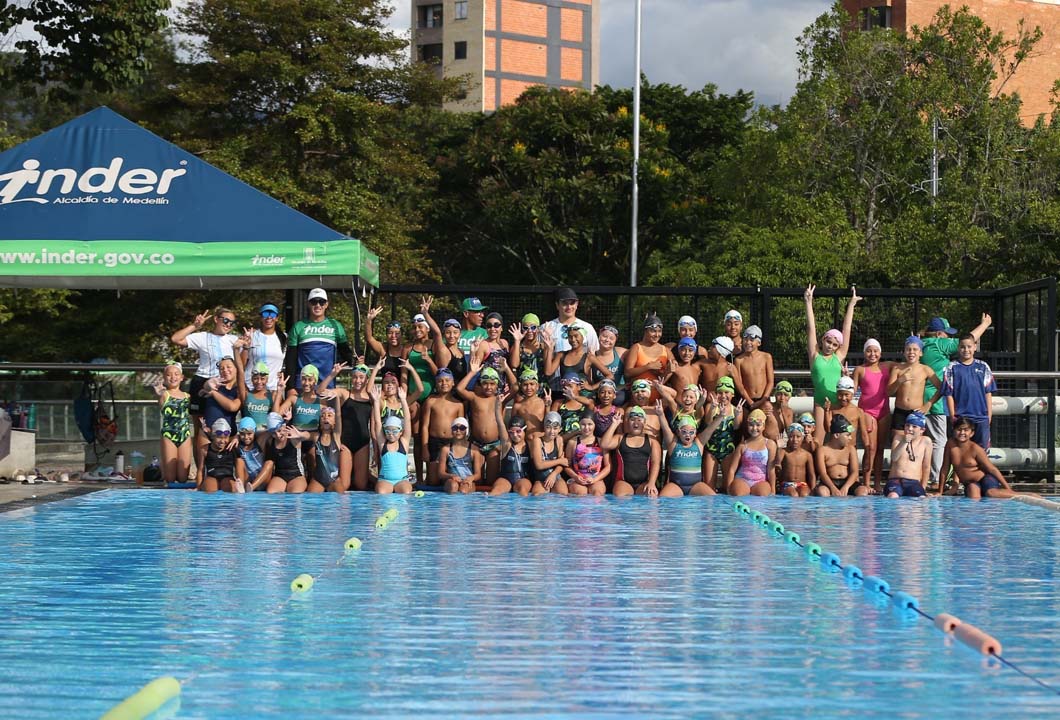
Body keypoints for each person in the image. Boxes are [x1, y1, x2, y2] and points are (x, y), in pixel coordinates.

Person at [921, 314, 992, 485]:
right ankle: (938, 478)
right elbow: (968, 339)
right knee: (940, 442)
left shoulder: (922, 345)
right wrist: (985, 324)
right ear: (939, 334)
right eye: (947, 334)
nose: (949, 337)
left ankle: (936, 478)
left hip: (922, 400)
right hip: (936, 402)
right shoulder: (940, 344)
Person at [170, 307, 243, 449]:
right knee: (201, 430)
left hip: (224, 385)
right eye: (226, 320)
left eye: (232, 323)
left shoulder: (234, 340)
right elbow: (175, 339)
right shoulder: (202, 336)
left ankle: (222, 465)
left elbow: (243, 364)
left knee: (225, 427)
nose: (228, 325)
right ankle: (201, 469)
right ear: (216, 319)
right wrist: (195, 326)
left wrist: (245, 347)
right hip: (202, 381)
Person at [804, 285, 860, 445]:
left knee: (843, 439)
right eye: (828, 341)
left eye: (835, 344)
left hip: (839, 400)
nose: (830, 346)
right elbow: (811, 329)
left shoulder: (839, 357)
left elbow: (847, 329)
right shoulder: (815, 355)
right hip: (821, 401)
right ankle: (818, 469)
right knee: (818, 441)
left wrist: (851, 304)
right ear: (823, 340)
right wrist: (808, 302)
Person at [316, 362, 374, 491]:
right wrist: (332, 374)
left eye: (361, 377)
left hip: (363, 443)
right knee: (345, 485)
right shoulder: (344, 393)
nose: (357, 380)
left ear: (366, 379)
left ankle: (368, 477)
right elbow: (319, 392)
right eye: (354, 377)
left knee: (361, 485)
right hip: (345, 443)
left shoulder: (371, 398)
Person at [286, 288, 353, 390]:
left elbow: (345, 352)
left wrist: (356, 361)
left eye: (321, 302)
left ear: (326, 304)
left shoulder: (336, 326)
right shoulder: (298, 326)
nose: (318, 305)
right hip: (304, 385)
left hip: (327, 384)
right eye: (314, 302)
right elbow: (291, 359)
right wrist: (290, 388)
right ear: (308, 304)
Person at [941, 416, 1021, 499]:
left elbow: (992, 469)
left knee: (991, 493)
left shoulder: (976, 449)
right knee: (973, 496)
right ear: (954, 431)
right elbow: (945, 468)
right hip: (971, 483)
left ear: (972, 433)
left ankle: (1030, 495)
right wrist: (940, 491)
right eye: (959, 429)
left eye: (966, 430)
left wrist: (1008, 489)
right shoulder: (950, 445)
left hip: (985, 479)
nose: (962, 433)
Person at [941, 334, 997, 450]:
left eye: (969, 346)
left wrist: (989, 415)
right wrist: (952, 415)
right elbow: (948, 394)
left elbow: (988, 392)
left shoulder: (983, 366)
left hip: (981, 416)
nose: (966, 350)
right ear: (958, 348)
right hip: (962, 416)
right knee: (961, 451)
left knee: (982, 452)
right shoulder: (951, 367)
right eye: (962, 347)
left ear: (975, 347)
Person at [454, 359, 504, 483]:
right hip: (476, 444)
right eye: (485, 383)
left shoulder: (500, 399)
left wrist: (507, 369)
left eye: (492, 384)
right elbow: (459, 389)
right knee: (477, 480)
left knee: (491, 481)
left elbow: (515, 387)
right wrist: (472, 372)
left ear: (497, 385)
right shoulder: (475, 397)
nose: (488, 387)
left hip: (494, 445)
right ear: (480, 384)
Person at [852, 338, 892, 492]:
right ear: (864, 353)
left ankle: (876, 483)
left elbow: (907, 364)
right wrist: (844, 377)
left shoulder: (887, 367)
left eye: (875, 351)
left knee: (881, 448)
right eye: (869, 351)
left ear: (880, 353)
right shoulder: (860, 370)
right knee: (871, 448)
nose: (872, 354)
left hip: (884, 412)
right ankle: (867, 482)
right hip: (867, 412)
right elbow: (852, 390)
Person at [887, 336, 942, 445]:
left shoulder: (925, 369)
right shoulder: (897, 369)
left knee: (915, 446)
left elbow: (941, 388)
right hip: (900, 412)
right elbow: (889, 391)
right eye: (908, 349)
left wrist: (928, 405)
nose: (911, 352)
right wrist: (899, 381)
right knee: (897, 444)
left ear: (921, 353)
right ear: (904, 352)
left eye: (915, 349)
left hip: (916, 412)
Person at [196, 355, 245, 476]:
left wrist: (213, 393)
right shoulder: (214, 384)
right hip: (207, 431)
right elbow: (201, 393)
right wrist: (207, 386)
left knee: (227, 471)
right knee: (203, 467)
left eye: (229, 367)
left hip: (227, 435)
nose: (225, 370)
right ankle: (199, 488)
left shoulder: (239, 389)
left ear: (236, 369)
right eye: (222, 368)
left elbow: (233, 407)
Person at [599, 406, 662, 497]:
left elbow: (656, 463)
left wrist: (651, 483)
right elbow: (604, 444)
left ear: (644, 422)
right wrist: (614, 424)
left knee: (651, 497)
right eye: (632, 419)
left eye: (639, 420)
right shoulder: (620, 438)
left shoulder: (652, 441)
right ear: (628, 422)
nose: (636, 423)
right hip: (623, 482)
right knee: (620, 497)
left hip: (644, 482)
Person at [420, 368, 466, 487]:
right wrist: (425, 448)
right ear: (436, 383)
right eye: (440, 381)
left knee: (451, 477)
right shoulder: (430, 401)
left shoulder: (458, 404)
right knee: (433, 481)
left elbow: (461, 429)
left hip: (451, 443)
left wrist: (460, 448)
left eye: (447, 380)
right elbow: (425, 426)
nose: (444, 383)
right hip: (434, 442)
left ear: (453, 383)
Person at [658, 412, 716, 497]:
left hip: (696, 485)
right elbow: (665, 428)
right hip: (676, 486)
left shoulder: (699, 443)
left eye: (691, 432)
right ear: (678, 432)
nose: (687, 435)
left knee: (712, 498)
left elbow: (710, 429)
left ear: (695, 433)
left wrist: (721, 416)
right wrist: (661, 414)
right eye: (684, 432)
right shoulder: (673, 443)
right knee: (663, 498)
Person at [153, 361, 192, 486]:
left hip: (185, 435)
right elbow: (161, 406)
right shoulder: (165, 395)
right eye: (169, 375)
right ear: (164, 378)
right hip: (169, 435)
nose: (173, 377)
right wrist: (159, 394)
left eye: (176, 374)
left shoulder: (188, 396)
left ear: (182, 377)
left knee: (182, 478)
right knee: (170, 478)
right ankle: (164, 471)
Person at [702, 378, 744, 491]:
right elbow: (708, 423)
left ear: (732, 394)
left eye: (726, 392)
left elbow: (736, 427)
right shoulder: (711, 407)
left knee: (728, 487)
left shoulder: (737, 409)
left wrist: (737, 415)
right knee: (709, 487)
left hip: (728, 450)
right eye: (720, 392)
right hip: (711, 449)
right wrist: (712, 409)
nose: (723, 395)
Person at [371, 386, 414, 494]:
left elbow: (408, 420)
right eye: (388, 431)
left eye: (394, 431)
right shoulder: (382, 443)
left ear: (400, 432)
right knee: (381, 492)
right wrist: (376, 401)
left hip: (402, 480)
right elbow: (377, 422)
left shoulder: (403, 442)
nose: (391, 434)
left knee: (406, 492)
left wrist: (403, 400)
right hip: (385, 480)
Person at [733, 324, 775, 436]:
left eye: (751, 340)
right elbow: (739, 385)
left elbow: (770, 381)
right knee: (746, 432)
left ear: (759, 343)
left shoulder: (766, 357)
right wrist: (750, 402)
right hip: (747, 402)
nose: (748, 342)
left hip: (763, 400)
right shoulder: (739, 360)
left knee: (768, 432)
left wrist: (763, 399)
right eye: (745, 339)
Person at [725, 408, 776, 496]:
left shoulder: (770, 444)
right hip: (742, 479)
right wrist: (729, 488)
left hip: (761, 481)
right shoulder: (742, 446)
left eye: (758, 425)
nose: (754, 428)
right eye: (751, 425)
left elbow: (771, 470)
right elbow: (732, 469)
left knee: (763, 496)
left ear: (764, 426)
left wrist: (773, 489)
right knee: (738, 495)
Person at [885, 411, 932, 498]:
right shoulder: (898, 438)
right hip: (895, 480)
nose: (909, 429)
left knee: (921, 498)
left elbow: (926, 467)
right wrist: (903, 442)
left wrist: (923, 487)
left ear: (922, 430)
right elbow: (894, 458)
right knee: (892, 496)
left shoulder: (926, 441)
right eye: (907, 425)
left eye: (914, 426)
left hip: (913, 482)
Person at [241, 302, 286, 392]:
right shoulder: (251, 336)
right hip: (251, 387)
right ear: (261, 317)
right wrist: (245, 347)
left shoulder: (284, 338)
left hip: (273, 389)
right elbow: (241, 364)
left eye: (272, 314)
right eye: (265, 314)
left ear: (277, 318)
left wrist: (283, 371)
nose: (269, 317)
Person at [814, 415, 864, 496]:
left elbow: (855, 472)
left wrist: (846, 487)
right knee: (822, 492)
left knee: (863, 491)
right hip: (829, 482)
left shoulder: (851, 449)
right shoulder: (822, 450)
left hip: (847, 481)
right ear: (836, 435)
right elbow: (822, 473)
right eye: (847, 435)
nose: (850, 438)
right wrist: (832, 487)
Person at [491, 399, 532, 496]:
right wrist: (498, 406)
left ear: (525, 431)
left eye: (518, 431)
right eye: (511, 432)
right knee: (495, 491)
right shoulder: (507, 445)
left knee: (523, 490)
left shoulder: (530, 445)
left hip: (523, 480)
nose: (515, 435)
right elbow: (500, 423)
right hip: (506, 479)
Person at [624, 314, 670, 401]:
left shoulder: (665, 350)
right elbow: (627, 372)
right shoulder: (636, 347)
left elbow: (673, 368)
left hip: (658, 400)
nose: (657, 335)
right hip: (638, 398)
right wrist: (647, 367)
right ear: (645, 331)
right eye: (653, 331)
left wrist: (666, 371)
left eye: (659, 331)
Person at [307, 405, 351, 493]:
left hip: (334, 480)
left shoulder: (336, 436)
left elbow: (338, 414)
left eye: (329, 415)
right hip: (318, 480)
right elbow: (304, 435)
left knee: (342, 501)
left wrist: (335, 396)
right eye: (322, 416)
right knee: (310, 501)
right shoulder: (316, 437)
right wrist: (297, 434)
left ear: (335, 422)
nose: (325, 417)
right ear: (320, 422)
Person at [564, 411, 610, 495]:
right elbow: (567, 465)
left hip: (596, 479)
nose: (586, 427)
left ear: (595, 425)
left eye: (590, 424)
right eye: (583, 424)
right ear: (579, 425)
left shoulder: (601, 442)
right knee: (581, 493)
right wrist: (575, 477)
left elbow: (608, 466)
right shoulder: (572, 442)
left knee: (597, 493)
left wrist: (595, 479)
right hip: (577, 479)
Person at [542, 287, 599, 353]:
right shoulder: (546, 328)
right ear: (557, 305)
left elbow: (595, 353)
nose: (569, 307)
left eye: (572, 303)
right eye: (564, 303)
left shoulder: (587, 327)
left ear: (577, 305)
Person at [439, 416, 483, 494]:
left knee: (464, 490)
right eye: (455, 428)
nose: (458, 430)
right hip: (452, 480)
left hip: (468, 480)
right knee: (453, 487)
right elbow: (441, 473)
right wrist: (451, 476)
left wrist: (471, 478)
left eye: (462, 428)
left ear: (467, 430)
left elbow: (478, 474)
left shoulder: (474, 450)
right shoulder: (445, 449)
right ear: (451, 430)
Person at [264, 419, 309, 493]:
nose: (278, 435)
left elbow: (308, 435)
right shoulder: (270, 441)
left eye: (279, 431)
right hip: (280, 475)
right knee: (271, 493)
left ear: (284, 427)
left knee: (295, 494)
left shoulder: (293, 438)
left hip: (297, 475)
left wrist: (300, 434)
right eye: (274, 433)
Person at [531, 411, 569, 495]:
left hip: (556, 476)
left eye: (555, 428)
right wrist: (559, 461)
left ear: (560, 429)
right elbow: (539, 465)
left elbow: (563, 464)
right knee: (537, 496)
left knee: (563, 495)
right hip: (541, 478)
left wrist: (554, 474)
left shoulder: (559, 440)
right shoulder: (537, 441)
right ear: (544, 428)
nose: (552, 431)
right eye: (548, 427)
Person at [364, 307, 407, 378]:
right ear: (386, 335)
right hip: (386, 388)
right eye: (390, 333)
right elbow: (369, 338)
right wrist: (369, 320)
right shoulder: (383, 349)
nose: (393, 336)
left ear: (402, 335)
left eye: (397, 333)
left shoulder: (406, 350)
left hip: (402, 388)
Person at [199, 418, 239, 493]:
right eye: (219, 437)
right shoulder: (205, 449)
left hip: (228, 477)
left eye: (225, 438)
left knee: (231, 488)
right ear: (213, 436)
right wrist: (198, 488)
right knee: (209, 490)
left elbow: (240, 466)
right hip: (211, 477)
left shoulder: (232, 448)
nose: (222, 441)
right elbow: (201, 470)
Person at [236, 416, 274, 492]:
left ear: (254, 432)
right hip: (247, 481)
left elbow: (272, 431)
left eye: (249, 434)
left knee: (270, 463)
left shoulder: (260, 441)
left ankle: (252, 487)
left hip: (263, 480)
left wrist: (286, 422)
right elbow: (224, 437)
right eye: (242, 434)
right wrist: (235, 437)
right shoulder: (237, 444)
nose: (246, 437)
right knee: (239, 461)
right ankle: (241, 488)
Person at [776, 423, 815, 497]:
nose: (795, 440)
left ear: (803, 437)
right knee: (793, 495)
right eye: (791, 436)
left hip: (802, 484)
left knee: (805, 494)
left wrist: (813, 490)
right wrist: (779, 448)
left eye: (798, 437)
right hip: (786, 484)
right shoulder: (784, 451)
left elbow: (811, 475)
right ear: (787, 437)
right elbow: (777, 465)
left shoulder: (807, 455)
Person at [509, 314, 547, 389]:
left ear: (538, 329)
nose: (529, 331)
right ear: (522, 329)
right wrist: (517, 341)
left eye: (533, 327)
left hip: (540, 388)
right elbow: (514, 365)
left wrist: (548, 346)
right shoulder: (518, 347)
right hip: (524, 389)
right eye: (526, 328)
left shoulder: (543, 347)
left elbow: (548, 369)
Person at [594, 325, 627, 405]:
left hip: (619, 391)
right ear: (599, 335)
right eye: (604, 336)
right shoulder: (592, 355)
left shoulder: (622, 353)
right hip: (599, 393)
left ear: (615, 341)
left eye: (611, 338)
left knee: (619, 399)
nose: (607, 340)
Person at [510, 369, 548, 437]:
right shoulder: (517, 406)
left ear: (537, 386)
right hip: (524, 442)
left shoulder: (543, 403)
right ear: (521, 387)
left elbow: (548, 424)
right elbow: (512, 426)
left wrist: (548, 406)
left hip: (539, 440)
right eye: (525, 385)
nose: (528, 388)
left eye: (531, 384)